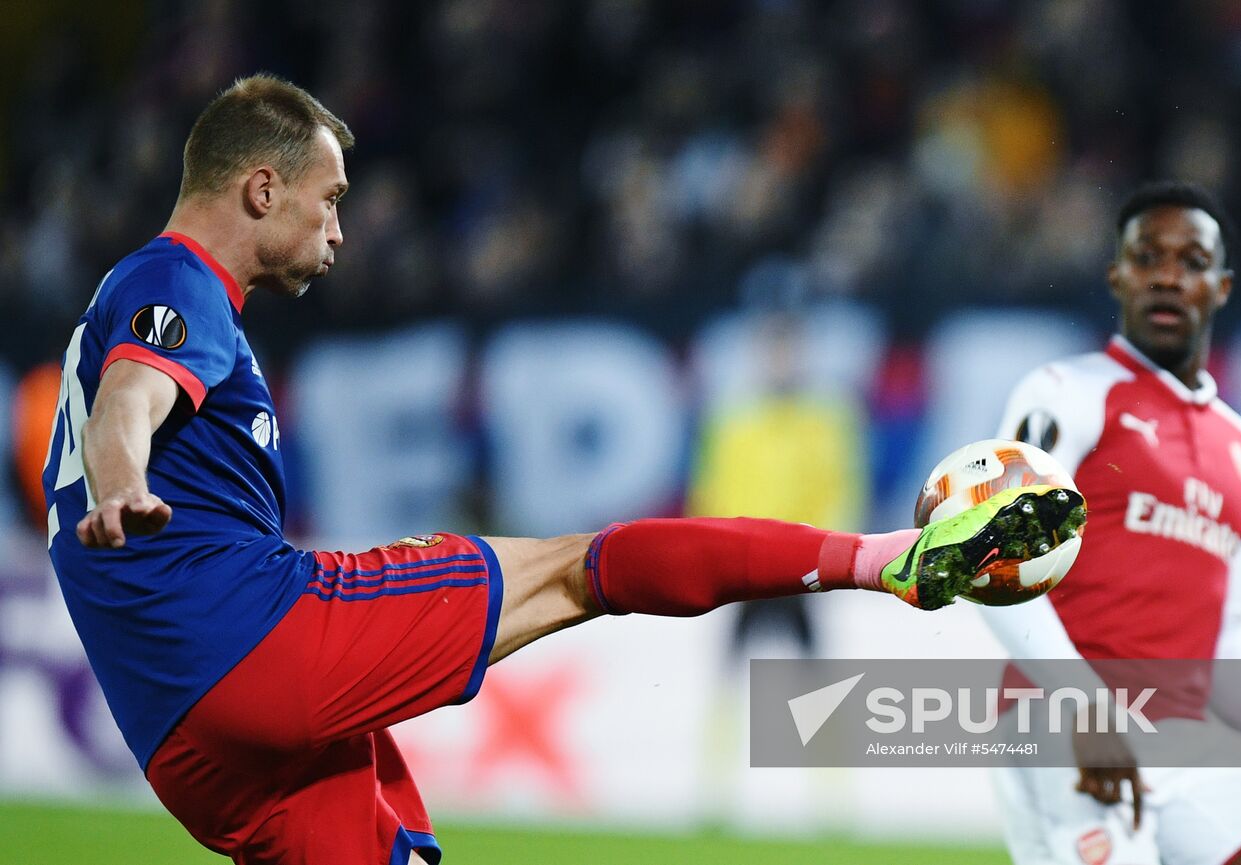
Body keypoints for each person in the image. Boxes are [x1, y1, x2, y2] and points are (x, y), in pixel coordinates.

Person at [40, 74, 1083, 865]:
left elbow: (126, 392)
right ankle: (886, 561)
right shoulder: (177, 280)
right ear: (261, 187)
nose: (341, 227)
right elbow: (135, 395)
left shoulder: (141, 300)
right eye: (329, 198)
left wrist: (125, 478)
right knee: (584, 568)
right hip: (256, 642)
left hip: (181, 742)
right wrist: (125, 476)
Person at [982, 181, 1241, 865]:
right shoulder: (1067, 394)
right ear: (1116, 275)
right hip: (1057, 717)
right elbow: (996, 560)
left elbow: (1224, 642)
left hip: (1185, 736)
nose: (1167, 275)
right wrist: (1084, 708)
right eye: (1147, 256)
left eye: (1190, 261)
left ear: (1220, 286)